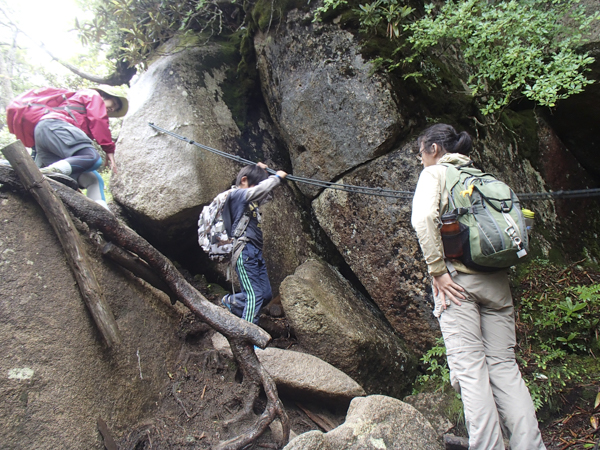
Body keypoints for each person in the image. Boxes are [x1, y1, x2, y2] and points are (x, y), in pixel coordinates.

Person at [411, 123, 545, 450]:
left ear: (433, 149)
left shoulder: (435, 174)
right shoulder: (485, 180)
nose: (420, 160)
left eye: (420, 153)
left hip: (458, 285)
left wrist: (437, 270)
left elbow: (423, 219)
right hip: (497, 285)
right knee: (504, 370)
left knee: (471, 373)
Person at [7, 85, 128, 209]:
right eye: (114, 102)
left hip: (44, 137)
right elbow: (98, 119)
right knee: (92, 158)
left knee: (94, 179)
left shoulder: (76, 112)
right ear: (104, 95)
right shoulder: (91, 94)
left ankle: (103, 218)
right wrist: (109, 149)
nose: (113, 108)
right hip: (54, 126)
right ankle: (51, 171)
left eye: (115, 109)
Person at [221, 162, 287, 325]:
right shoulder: (236, 195)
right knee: (254, 296)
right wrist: (276, 177)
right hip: (244, 250)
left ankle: (231, 302)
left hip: (255, 253)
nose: (258, 188)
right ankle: (248, 336)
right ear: (244, 180)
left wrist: (261, 172)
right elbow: (259, 190)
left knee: (264, 295)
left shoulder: (250, 201)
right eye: (255, 183)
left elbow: (266, 193)